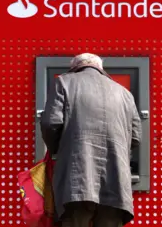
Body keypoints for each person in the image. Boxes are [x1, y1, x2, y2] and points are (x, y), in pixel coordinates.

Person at [40, 53, 142, 227]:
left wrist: (60, 151)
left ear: (74, 67)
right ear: (100, 68)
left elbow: (51, 124)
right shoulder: (125, 94)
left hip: (76, 179)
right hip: (116, 181)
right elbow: (136, 137)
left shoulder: (64, 82)